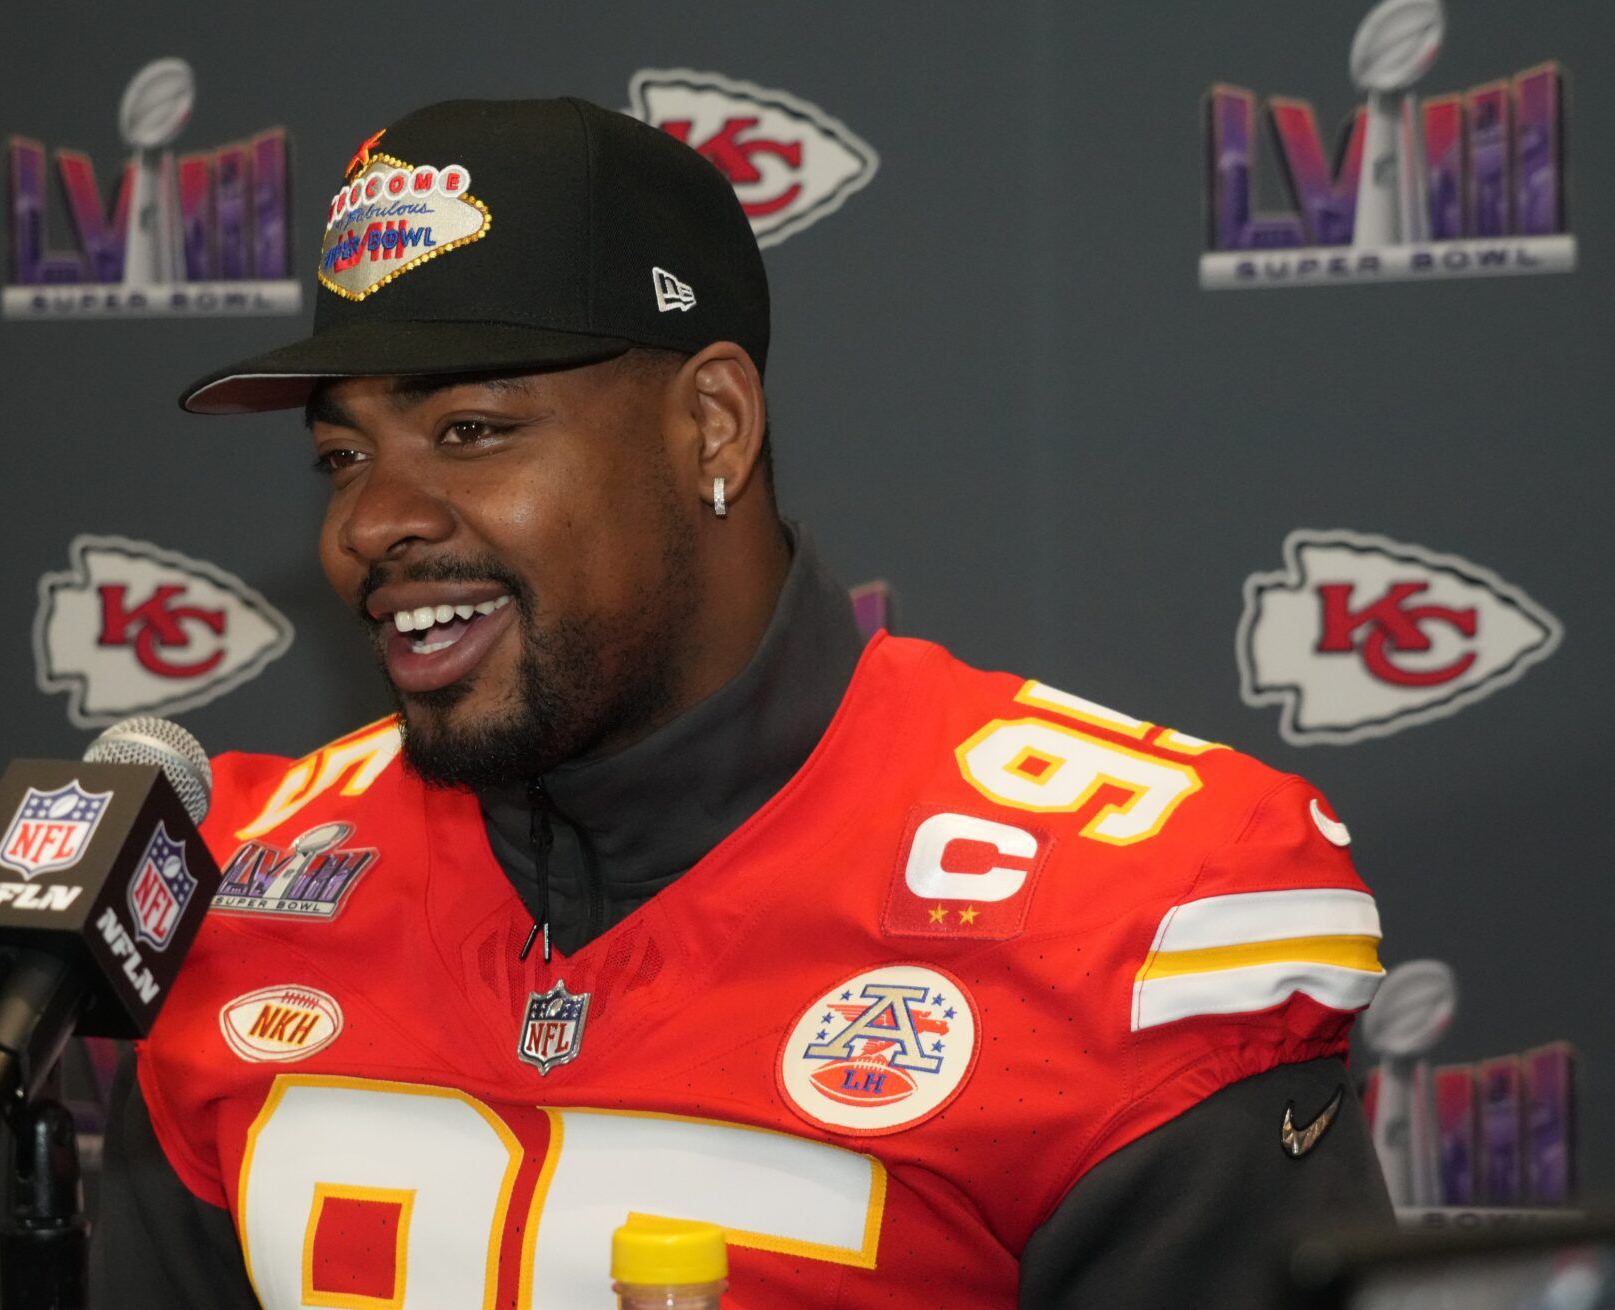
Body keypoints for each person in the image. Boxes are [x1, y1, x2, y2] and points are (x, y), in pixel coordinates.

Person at [96, 96, 1394, 1309]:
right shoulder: (242, 884)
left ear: (712, 426)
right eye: (341, 455)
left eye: (473, 429)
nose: (370, 522)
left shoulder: (1137, 904)